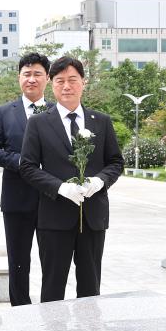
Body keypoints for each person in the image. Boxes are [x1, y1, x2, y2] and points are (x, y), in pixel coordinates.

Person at [20, 56, 124, 302]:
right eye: (60, 81)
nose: (67, 86)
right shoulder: (38, 123)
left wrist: (99, 181)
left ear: (83, 83)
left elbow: (115, 162)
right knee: (53, 286)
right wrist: (59, 187)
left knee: (90, 286)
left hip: (93, 217)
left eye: (72, 80)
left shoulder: (102, 121)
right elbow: (28, 166)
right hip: (54, 216)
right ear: (52, 84)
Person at [0, 52, 52, 306]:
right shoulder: (4, 113)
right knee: (18, 261)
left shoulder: (56, 112)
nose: (32, 79)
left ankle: (52, 309)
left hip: (51, 199)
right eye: (27, 74)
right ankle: (20, 312)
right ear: (19, 78)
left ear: (47, 78)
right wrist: (20, 162)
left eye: (37, 74)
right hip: (17, 200)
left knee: (52, 261)